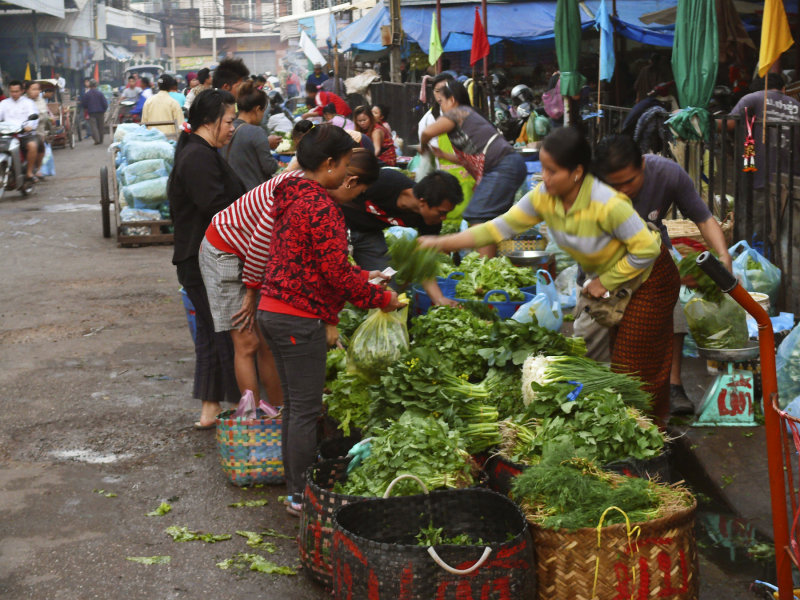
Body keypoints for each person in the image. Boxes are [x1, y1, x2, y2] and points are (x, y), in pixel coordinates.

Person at [420, 127, 680, 426]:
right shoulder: (544, 197)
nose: (544, 176)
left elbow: (646, 249)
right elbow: (496, 229)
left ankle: (651, 436)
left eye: (552, 170)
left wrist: (603, 282)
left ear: (577, 172)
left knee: (634, 366)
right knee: (625, 358)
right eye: (543, 168)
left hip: (649, 277)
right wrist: (439, 242)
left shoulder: (607, 202)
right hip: (619, 278)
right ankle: (638, 429)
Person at [256, 124, 404, 516]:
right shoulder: (321, 206)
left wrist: (362, 278)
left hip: (272, 309)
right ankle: (300, 496)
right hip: (297, 317)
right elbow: (336, 274)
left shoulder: (290, 192)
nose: (346, 173)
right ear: (329, 164)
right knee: (305, 411)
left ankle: (293, 488)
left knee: (294, 409)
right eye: (343, 164)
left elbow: (324, 265)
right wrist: (383, 298)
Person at [584, 135, 733, 415]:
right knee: (599, 329)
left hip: (657, 255)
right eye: (614, 185)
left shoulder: (666, 172)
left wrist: (723, 256)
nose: (623, 191)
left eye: (629, 182)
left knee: (672, 314)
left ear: (642, 165)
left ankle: (673, 384)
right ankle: (608, 398)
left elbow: (702, 218)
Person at [168, 88, 245, 429]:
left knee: (210, 332)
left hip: (201, 256)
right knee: (221, 332)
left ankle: (210, 408)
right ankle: (242, 407)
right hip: (203, 259)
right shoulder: (197, 156)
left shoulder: (200, 149)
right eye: (229, 121)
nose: (233, 128)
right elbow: (217, 208)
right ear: (211, 120)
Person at [420, 74, 526, 257]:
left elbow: (428, 132)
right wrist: (442, 155)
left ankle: (486, 266)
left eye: (442, 102)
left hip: (502, 166)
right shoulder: (468, 119)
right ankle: (491, 263)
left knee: (479, 215)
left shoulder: (457, 112)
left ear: (452, 100)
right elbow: (465, 160)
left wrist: (423, 147)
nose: (441, 108)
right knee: (488, 218)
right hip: (507, 166)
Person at [222, 80, 278, 190]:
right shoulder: (257, 131)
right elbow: (270, 167)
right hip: (253, 195)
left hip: (234, 193)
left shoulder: (228, 128)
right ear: (257, 109)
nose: (262, 116)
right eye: (263, 111)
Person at [0, 81, 40, 185]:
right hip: (7, 135)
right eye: (12, 91)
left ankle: (29, 172)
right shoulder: (3, 104)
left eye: (16, 91)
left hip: (24, 134)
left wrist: (29, 126)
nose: (14, 94)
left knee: (32, 146)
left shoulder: (28, 103)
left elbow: (33, 117)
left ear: (22, 91)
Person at [25, 81, 49, 179]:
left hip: (38, 131)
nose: (36, 92)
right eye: (33, 89)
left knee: (39, 147)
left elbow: (42, 116)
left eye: (38, 89)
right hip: (20, 131)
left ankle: (38, 169)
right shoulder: (23, 100)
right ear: (27, 90)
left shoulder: (41, 101)